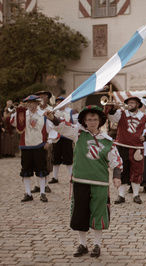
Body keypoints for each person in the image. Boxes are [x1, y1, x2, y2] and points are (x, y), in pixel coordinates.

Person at [45, 105, 122, 258]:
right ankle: (82, 244)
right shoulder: (78, 134)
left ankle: (97, 245)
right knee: (80, 213)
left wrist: (117, 176)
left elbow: (116, 161)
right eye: (89, 119)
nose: (92, 122)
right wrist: (52, 117)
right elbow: (62, 127)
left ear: (100, 121)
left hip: (100, 183)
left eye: (95, 119)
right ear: (84, 121)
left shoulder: (108, 141)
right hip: (80, 181)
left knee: (98, 213)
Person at [106, 96, 146, 205]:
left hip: (137, 148)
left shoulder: (145, 117)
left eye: (133, 102)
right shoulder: (121, 113)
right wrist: (113, 108)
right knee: (122, 170)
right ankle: (121, 195)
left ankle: (136, 195)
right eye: (129, 102)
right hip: (121, 145)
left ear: (138, 105)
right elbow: (111, 117)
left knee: (137, 171)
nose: (130, 104)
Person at [10, 95, 55, 202]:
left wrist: (49, 141)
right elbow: (13, 122)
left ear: (37, 103)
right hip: (26, 146)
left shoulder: (43, 114)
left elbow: (53, 129)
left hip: (39, 145)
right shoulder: (22, 114)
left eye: (33, 103)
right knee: (25, 170)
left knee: (41, 170)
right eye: (28, 103)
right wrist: (18, 111)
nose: (30, 105)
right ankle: (28, 193)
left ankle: (42, 193)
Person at [48, 96, 78, 184]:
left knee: (68, 157)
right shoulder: (54, 112)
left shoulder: (71, 112)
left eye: (61, 102)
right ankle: (55, 177)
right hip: (56, 137)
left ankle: (72, 176)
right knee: (56, 157)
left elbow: (76, 123)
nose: (59, 104)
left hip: (67, 137)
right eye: (58, 102)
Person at [32, 90, 54, 193]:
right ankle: (37, 185)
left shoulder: (51, 109)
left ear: (47, 97)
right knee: (37, 162)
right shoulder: (34, 110)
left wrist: (50, 140)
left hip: (46, 139)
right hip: (35, 139)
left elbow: (54, 127)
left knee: (47, 161)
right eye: (39, 96)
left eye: (43, 96)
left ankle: (46, 185)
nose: (41, 98)